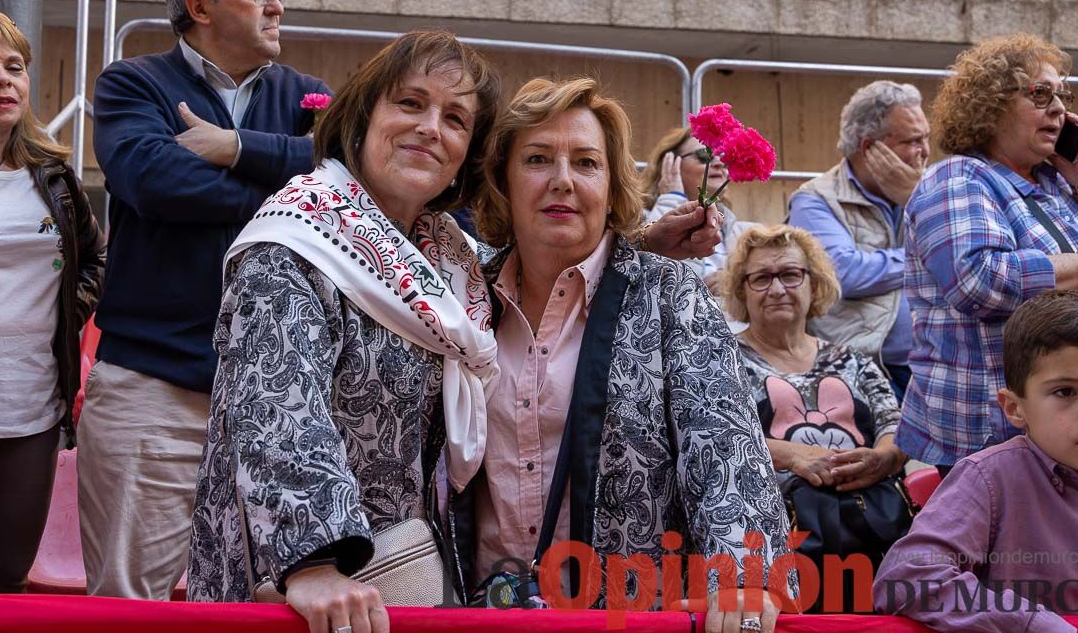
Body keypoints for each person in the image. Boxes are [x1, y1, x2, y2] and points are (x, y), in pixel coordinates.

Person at [186, 36, 733, 632]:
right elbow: (275, 405)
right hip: (308, 590)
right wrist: (314, 562)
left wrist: (635, 247)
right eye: (410, 104)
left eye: (454, 118)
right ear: (363, 115)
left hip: (423, 589)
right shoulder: (293, 241)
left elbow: (722, 439)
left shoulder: (446, 260)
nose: (430, 128)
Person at [454, 78, 793, 633]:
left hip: (627, 615)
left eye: (586, 163)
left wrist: (744, 575)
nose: (562, 181)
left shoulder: (669, 295)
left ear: (611, 186)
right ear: (502, 180)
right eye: (538, 159)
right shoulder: (459, 299)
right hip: (478, 613)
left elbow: (724, 445)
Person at [79, 0, 332, 600]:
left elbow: (348, 180)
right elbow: (154, 182)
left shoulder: (310, 95)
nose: (276, 5)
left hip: (282, 401)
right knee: (129, 603)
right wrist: (282, 179)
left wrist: (232, 147)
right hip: (154, 388)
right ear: (199, 5)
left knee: (269, 603)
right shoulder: (132, 84)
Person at [897, 33, 1078, 473]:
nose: (1059, 108)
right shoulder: (958, 178)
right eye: (1040, 94)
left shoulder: (1055, 181)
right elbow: (979, 280)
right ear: (990, 107)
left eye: (1062, 94)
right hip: (998, 436)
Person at [0, 9, 105, 593]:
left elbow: (94, 262)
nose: (1, 80)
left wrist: (61, 324)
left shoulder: (55, 177)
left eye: (14, 67)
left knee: (0, 587)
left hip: (32, 413)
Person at [875, 289, 1078, 629]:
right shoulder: (987, 479)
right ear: (1014, 407)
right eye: (1066, 392)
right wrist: (1032, 625)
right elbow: (908, 577)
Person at [723, 224, 907, 608]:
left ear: (814, 283)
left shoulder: (852, 359)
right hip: (777, 539)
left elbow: (895, 422)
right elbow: (716, 435)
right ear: (742, 290)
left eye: (791, 274)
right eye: (761, 278)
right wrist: (790, 455)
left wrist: (884, 457)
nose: (777, 289)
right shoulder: (724, 361)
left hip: (872, 527)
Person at [788, 81, 930, 401]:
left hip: (936, 368)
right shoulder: (816, 199)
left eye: (926, 138)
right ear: (870, 148)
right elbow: (845, 274)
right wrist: (927, 255)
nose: (925, 151)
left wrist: (917, 199)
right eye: (913, 140)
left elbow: (963, 258)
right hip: (863, 370)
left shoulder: (930, 189)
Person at [641, 126, 754, 294]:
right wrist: (672, 198)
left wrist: (735, 284)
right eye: (704, 155)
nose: (718, 162)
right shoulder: (638, 221)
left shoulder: (742, 233)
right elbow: (647, 272)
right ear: (670, 164)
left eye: (724, 157)